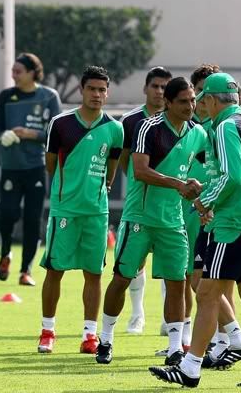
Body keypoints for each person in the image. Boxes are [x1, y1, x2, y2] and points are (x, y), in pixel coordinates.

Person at [149, 72, 241, 388]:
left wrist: (203, 201)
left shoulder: (224, 127)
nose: (200, 104)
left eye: (203, 98)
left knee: (206, 292)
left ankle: (190, 367)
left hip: (233, 224)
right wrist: (209, 190)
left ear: (213, 99)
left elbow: (233, 175)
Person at [95, 77, 207, 367]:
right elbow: (140, 170)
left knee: (177, 284)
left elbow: (207, 170)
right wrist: (180, 184)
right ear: (168, 103)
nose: (190, 106)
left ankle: (174, 349)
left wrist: (200, 200)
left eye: (193, 100)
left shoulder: (197, 133)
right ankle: (105, 339)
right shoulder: (149, 128)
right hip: (140, 218)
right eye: (183, 101)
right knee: (121, 279)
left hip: (173, 221)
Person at [36, 66, 123, 354]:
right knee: (55, 270)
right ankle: (47, 331)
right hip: (64, 210)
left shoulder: (114, 128)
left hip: (96, 212)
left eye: (102, 90)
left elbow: (111, 170)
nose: (97, 95)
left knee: (94, 274)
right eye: (92, 89)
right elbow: (50, 165)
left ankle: (89, 336)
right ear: (82, 90)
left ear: (107, 93)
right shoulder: (61, 124)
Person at [0, 52, 61, 286]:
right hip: (10, 167)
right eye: (13, 70)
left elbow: (56, 132)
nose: (14, 75)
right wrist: (4, 136)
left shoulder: (49, 97)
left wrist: (31, 134)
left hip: (36, 167)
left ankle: (26, 270)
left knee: (32, 219)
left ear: (32, 73)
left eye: (18, 71)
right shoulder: (6, 96)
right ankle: (5, 254)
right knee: (7, 214)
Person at [119, 66, 172, 334]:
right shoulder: (130, 121)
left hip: (171, 204)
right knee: (135, 260)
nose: (160, 92)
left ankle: (167, 319)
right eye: (156, 86)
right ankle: (137, 314)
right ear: (146, 89)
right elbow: (124, 159)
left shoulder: (181, 122)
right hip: (139, 202)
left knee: (169, 260)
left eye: (165, 87)